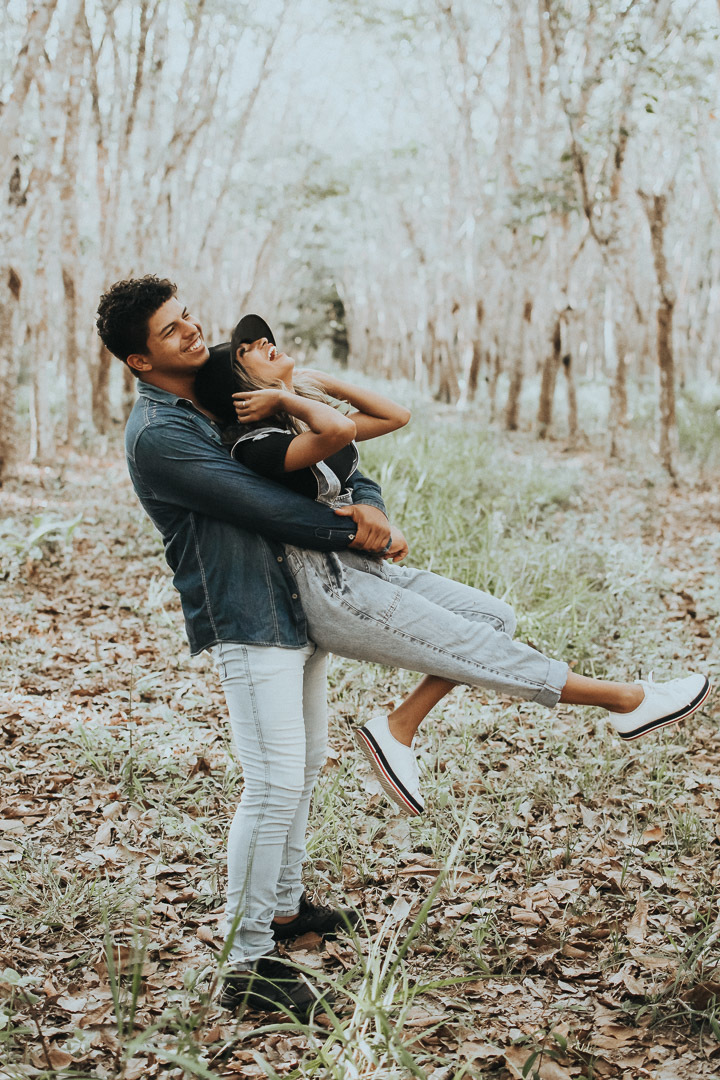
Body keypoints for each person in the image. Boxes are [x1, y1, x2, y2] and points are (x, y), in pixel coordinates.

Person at [98, 277, 710, 1020]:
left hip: (298, 601)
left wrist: (372, 514)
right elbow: (255, 500)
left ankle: (286, 911)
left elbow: (343, 464)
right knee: (274, 781)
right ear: (139, 360)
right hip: (247, 615)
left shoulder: (225, 383)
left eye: (188, 316)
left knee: (305, 763)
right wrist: (355, 530)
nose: (192, 331)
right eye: (171, 332)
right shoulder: (160, 432)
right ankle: (245, 960)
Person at [194, 311, 711, 821]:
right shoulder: (254, 446)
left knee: (492, 617)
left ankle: (397, 728)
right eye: (248, 351)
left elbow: (395, 416)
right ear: (240, 393)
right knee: (474, 645)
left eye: (262, 340)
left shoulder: (291, 415)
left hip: (361, 568)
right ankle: (624, 699)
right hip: (329, 588)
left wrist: (310, 381)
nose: (266, 343)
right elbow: (334, 433)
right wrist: (289, 394)